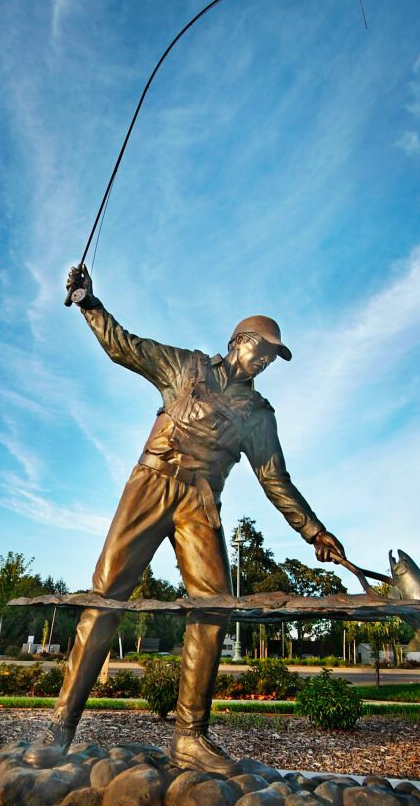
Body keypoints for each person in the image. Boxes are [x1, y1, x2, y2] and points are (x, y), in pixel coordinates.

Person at [24, 265, 346, 773]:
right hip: (151, 483)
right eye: (258, 348)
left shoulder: (259, 414)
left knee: (214, 606)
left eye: (271, 356)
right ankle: (59, 726)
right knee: (105, 596)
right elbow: (123, 347)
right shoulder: (186, 368)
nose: (264, 360)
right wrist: (89, 303)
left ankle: (190, 736)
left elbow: (274, 478)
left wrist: (314, 531)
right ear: (237, 342)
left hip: (200, 503)